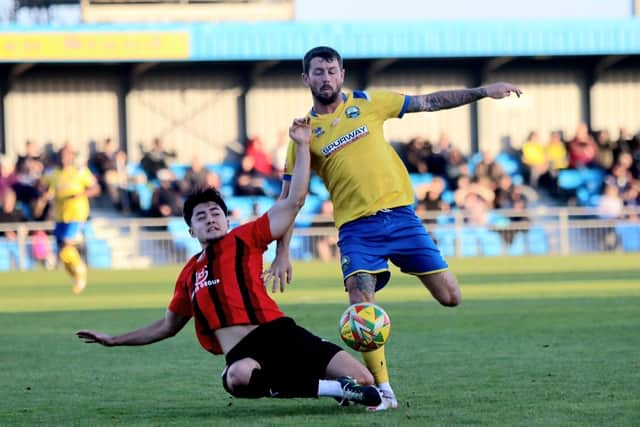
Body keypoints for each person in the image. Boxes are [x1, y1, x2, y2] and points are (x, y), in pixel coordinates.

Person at [265, 46, 523, 411]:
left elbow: (428, 102)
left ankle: (364, 362)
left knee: (451, 297)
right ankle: (383, 391)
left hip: (402, 219)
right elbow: (292, 197)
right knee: (361, 306)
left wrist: (482, 91)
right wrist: (282, 252)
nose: (326, 78)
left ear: (342, 74)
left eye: (332, 71)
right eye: (318, 72)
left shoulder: (370, 102)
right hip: (357, 230)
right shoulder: (303, 134)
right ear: (305, 79)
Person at [75, 117, 383, 410]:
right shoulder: (188, 275)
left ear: (226, 219)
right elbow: (167, 327)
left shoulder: (245, 238)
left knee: (365, 379)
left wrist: (302, 146)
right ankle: (335, 389)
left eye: (215, 213)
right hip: (244, 354)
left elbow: (294, 200)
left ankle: (345, 387)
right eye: (201, 216)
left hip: (281, 333)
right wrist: (114, 340)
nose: (210, 219)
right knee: (237, 378)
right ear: (191, 230)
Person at [42, 144, 101, 294]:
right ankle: (76, 277)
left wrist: (81, 195)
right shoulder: (53, 174)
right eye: (61, 155)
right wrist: (45, 194)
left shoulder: (80, 171)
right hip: (60, 216)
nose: (64, 158)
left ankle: (81, 272)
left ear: (72, 156)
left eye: (67, 155)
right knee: (62, 252)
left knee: (67, 246)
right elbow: (42, 187)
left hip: (77, 214)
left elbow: (96, 188)